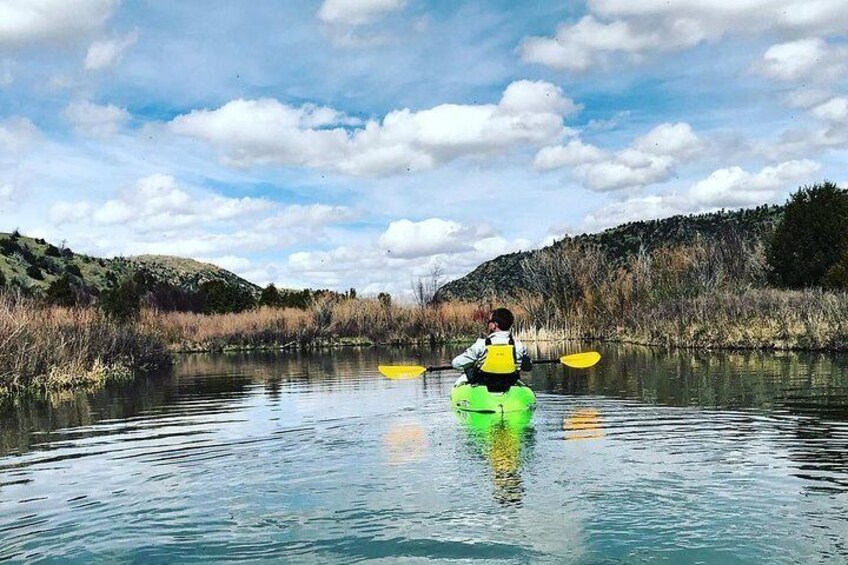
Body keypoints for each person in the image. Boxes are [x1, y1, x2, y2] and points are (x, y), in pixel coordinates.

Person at [451, 307, 532, 392]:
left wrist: (473, 363)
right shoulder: (519, 346)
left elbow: (456, 364)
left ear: (494, 325)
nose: (488, 324)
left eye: (489, 322)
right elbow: (528, 367)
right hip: (509, 383)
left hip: (484, 385)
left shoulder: (480, 345)